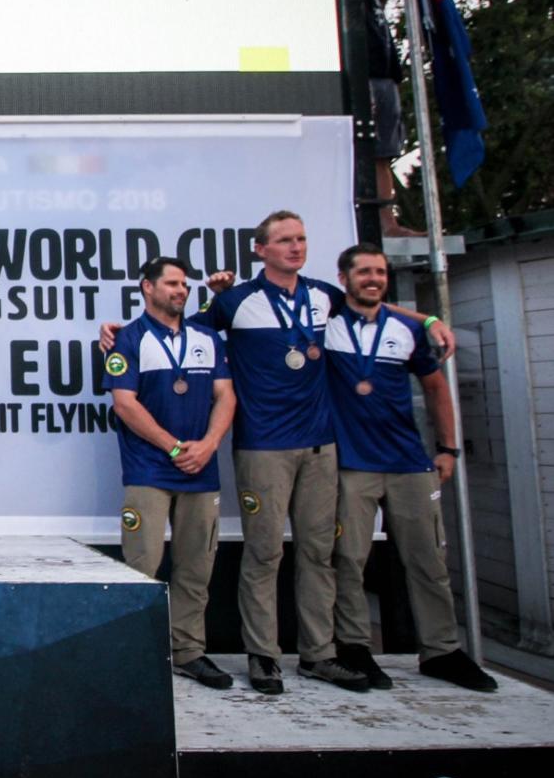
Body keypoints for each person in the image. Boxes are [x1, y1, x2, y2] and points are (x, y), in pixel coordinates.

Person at [182, 211, 454, 695]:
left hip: (321, 447)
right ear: (259, 250)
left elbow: (376, 309)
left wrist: (429, 318)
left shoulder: (323, 297)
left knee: (318, 554)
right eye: (284, 240)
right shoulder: (237, 301)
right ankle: (263, 655)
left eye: (302, 238)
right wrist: (119, 335)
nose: (295, 247)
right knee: (264, 554)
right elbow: (180, 330)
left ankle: (318, 655)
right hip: (264, 447)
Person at [325, 244, 496, 692]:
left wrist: (449, 448)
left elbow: (436, 388)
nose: (374, 279)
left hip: (408, 462)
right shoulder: (325, 323)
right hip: (351, 464)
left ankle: (440, 651)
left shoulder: (405, 328)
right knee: (349, 561)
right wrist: (432, 317)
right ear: (343, 279)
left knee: (428, 559)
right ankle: (355, 648)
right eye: (363, 272)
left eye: (379, 271)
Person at [105, 257, 237, 689]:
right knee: (142, 566)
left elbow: (226, 396)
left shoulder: (206, 337)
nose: (181, 291)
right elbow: (124, 404)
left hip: (202, 470)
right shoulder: (129, 339)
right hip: (149, 470)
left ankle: (188, 652)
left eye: (185, 284)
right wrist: (174, 447)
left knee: (196, 568)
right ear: (147, 287)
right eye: (172, 283)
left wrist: (209, 444)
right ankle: (139, 655)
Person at [356, 0, 423, 238]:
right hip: (360, 82)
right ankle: (376, 222)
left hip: (385, 81)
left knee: (384, 152)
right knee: (368, 151)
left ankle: (389, 222)